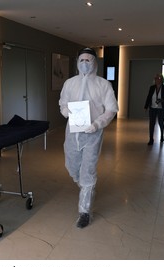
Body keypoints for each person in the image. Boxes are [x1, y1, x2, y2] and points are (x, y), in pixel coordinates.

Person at [59, 48, 119, 228]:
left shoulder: (103, 85)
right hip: (72, 134)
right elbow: (63, 103)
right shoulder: (70, 83)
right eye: (82, 60)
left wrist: (97, 124)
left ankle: (84, 211)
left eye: (88, 60)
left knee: (88, 170)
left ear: (94, 63)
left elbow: (111, 109)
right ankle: (86, 187)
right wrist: (65, 112)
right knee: (72, 166)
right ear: (77, 62)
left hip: (92, 134)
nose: (85, 63)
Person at [144, 74, 164, 145]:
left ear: (162, 80)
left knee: (161, 123)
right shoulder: (152, 87)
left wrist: (163, 99)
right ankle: (151, 139)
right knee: (151, 124)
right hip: (153, 108)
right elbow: (149, 97)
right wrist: (146, 107)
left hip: (161, 108)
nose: (157, 80)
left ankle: (162, 135)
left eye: (159, 78)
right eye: (156, 78)